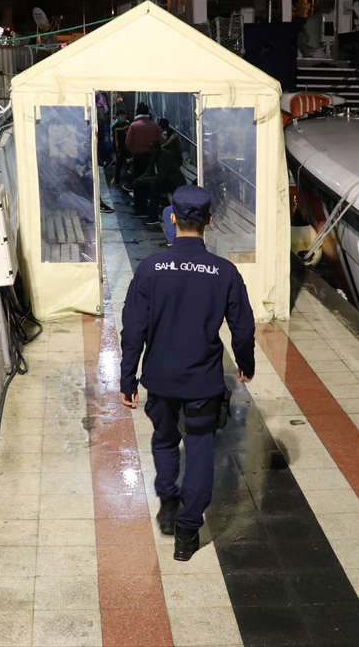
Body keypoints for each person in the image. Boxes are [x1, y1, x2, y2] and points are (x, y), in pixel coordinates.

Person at [119, 185, 256, 561]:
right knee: (199, 450)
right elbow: (243, 328)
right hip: (203, 382)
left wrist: (127, 378)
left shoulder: (150, 269)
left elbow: (133, 330)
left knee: (164, 441)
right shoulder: (224, 272)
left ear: (173, 219)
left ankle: (167, 502)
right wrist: (246, 363)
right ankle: (187, 533)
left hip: (160, 379)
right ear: (210, 221)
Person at [131, 139, 185, 224]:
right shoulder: (154, 156)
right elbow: (149, 171)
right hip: (165, 180)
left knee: (154, 185)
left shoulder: (164, 157)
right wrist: (140, 179)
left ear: (158, 149)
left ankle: (154, 216)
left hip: (174, 181)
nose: (151, 152)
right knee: (142, 183)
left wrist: (143, 180)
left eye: (153, 150)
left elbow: (161, 177)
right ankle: (142, 209)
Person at [125, 102, 163, 181]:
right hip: (151, 156)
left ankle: (138, 193)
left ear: (137, 112)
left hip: (138, 156)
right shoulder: (155, 125)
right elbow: (160, 140)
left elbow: (128, 143)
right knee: (149, 177)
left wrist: (134, 151)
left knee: (138, 177)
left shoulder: (133, 125)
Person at [110, 110, 131, 185]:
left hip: (127, 147)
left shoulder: (127, 125)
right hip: (120, 148)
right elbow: (116, 139)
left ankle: (129, 179)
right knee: (119, 164)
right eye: (121, 117)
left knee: (129, 163)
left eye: (124, 117)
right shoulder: (115, 127)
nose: (123, 118)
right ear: (117, 117)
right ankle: (117, 179)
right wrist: (117, 150)